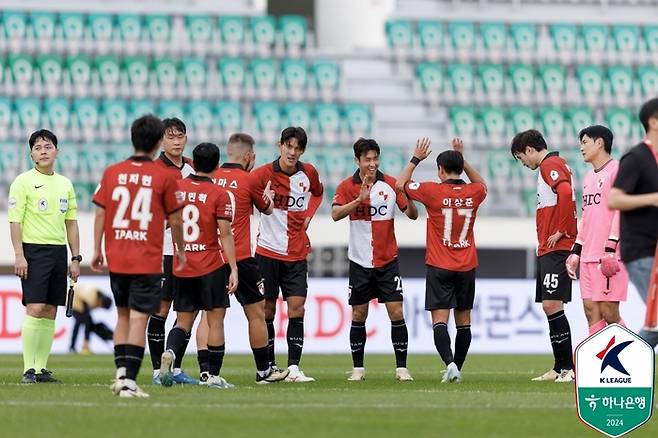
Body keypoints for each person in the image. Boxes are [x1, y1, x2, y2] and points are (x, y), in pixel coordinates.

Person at [91, 115, 186, 398]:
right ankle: (129, 383)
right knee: (138, 320)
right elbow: (177, 220)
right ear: (159, 142)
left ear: (133, 138)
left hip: (117, 255)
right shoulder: (164, 176)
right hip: (146, 258)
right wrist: (180, 250)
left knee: (121, 315)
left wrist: (97, 249)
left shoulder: (112, 172)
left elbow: (100, 211)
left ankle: (121, 375)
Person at [397, 137, 486, 383]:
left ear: (440, 170)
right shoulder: (474, 192)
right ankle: (458, 365)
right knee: (464, 322)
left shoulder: (432, 191)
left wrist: (416, 158)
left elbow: (400, 183)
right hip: (467, 265)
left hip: (439, 265)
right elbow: (482, 184)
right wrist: (462, 159)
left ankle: (449, 364)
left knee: (439, 322)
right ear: (460, 168)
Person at [332, 138, 418, 381]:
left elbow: (412, 215)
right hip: (359, 261)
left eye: (375, 158)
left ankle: (401, 368)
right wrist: (358, 201)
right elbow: (335, 214)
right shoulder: (347, 186)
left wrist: (407, 199)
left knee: (396, 311)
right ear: (357, 160)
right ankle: (358, 369)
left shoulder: (391, 184)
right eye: (367, 159)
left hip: (387, 260)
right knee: (359, 314)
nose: (372, 163)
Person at [159, 142, 239, 389]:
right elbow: (225, 234)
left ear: (193, 160)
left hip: (182, 265)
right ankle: (213, 376)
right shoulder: (219, 194)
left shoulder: (176, 189)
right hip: (210, 265)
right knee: (215, 320)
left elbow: (164, 224)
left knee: (183, 321)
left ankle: (170, 353)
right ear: (217, 166)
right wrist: (233, 268)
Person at [212, 133, 290, 384]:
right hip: (242, 257)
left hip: (212, 257)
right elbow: (267, 209)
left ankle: (209, 373)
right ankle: (263, 371)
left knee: (212, 316)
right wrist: (266, 196)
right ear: (248, 156)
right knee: (256, 313)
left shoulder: (211, 178)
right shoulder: (250, 179)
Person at [250, 127, 323, 382]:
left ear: (302, 150)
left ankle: (293, 368)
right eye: (288, 146)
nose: (292, 152)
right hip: (267, 252)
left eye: (297, 148)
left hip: (296, 252)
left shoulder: (309, 172)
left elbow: (318, 192)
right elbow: (246, 196)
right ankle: (269, 367)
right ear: (279, 145)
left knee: (297, 308)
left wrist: (309, 215)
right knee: (267, 311)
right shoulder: (262, 175)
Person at [9, 129, 80, 384]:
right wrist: (19, 255)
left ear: (56, 152)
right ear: (31, 154)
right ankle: (29, 368)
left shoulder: (65, 184)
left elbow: (71, 223)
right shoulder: (22, 182)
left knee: (51, 310)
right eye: (38, 147)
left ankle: (41, 369)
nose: (43, 150)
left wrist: (76, 258)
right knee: (35, 307)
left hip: (58, 251)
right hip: (33, 251)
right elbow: (15, 221)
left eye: (48, 146)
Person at [511, 129, 577, 382]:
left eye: (521, 157)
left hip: (557, 247)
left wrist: (561, 229)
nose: (523, 163)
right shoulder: (554, 164)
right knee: (550, 306)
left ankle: (567, 369)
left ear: (529, 149)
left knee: (552, 304)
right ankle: (560, 367)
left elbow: (566, 192)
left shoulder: (550, 164)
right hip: (549, 247)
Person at [146, 117, 198, 385]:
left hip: (191, 252)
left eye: (180, 136)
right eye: (171, 136)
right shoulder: (155, 170)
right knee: (162, 308)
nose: (176, 141)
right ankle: (157, 369)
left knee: (186, 310)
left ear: (186, 138)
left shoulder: (192, 168)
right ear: (162, 141)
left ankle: (174, 367)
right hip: (164, 250)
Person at [565, 125, 628, 337]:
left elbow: (621, 210)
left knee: (610, 311)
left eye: (585, 142)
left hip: (609, 254)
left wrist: (612, 246)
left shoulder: (617, 170)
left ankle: (631, 360)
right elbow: (588, 217)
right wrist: (576, 250)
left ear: (599, 143)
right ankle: (598, 367)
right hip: (588, 256)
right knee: (591, 311)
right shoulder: (588, 177)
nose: (581, 148)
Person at [608, 97, 658, 349]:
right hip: (642, 250)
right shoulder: (637, 157)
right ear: (653, 122)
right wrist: (652, 199)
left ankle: (623, 361)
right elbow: (614, 199)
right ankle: (622, 361)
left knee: (656, 321)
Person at [69, 284, 113, 353]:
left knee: (89, 324)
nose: (99, 307)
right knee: (81, 322)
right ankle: (75, 347)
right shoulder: (91, 297)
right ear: (101, 301)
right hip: (73, 302)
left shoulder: (97, 297)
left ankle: (75, 347)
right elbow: (87, 320)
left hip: (80, 303)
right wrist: (86, 341)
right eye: (101, 306)